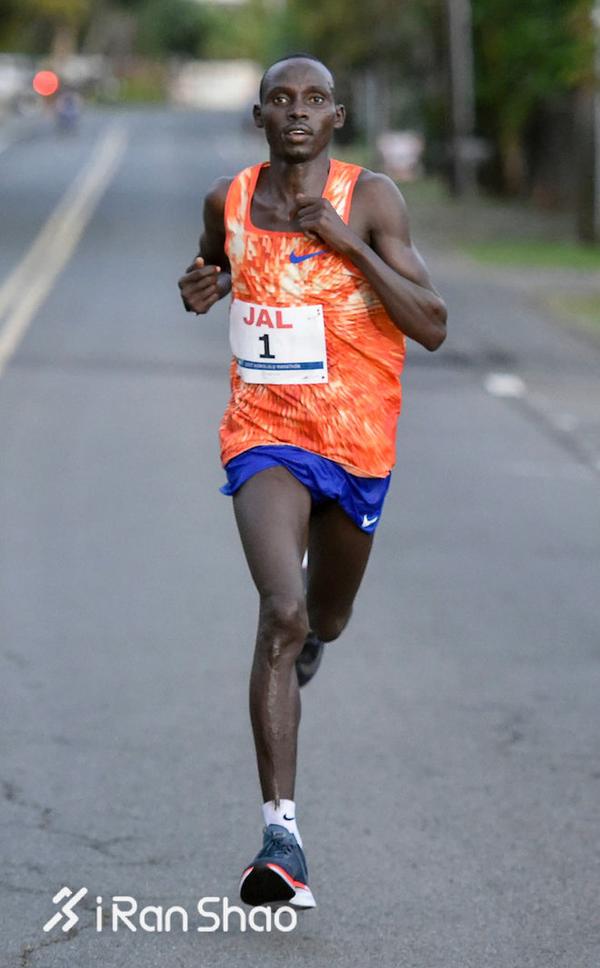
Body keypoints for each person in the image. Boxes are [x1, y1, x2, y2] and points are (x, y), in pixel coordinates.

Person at [178, 53, 447, 910]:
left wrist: (347, 244)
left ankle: (317, 634)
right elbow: (218, 266)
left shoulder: (372, 200)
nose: (298, 111)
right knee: (281, 613)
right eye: (281, 99)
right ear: (259, 115)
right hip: (264, 433)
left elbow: (432, 324)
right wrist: (204, 286)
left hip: (358, 445)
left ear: (337, 118)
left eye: (315, 99)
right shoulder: (227, 199)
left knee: (325, 616)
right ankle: (281, 840)